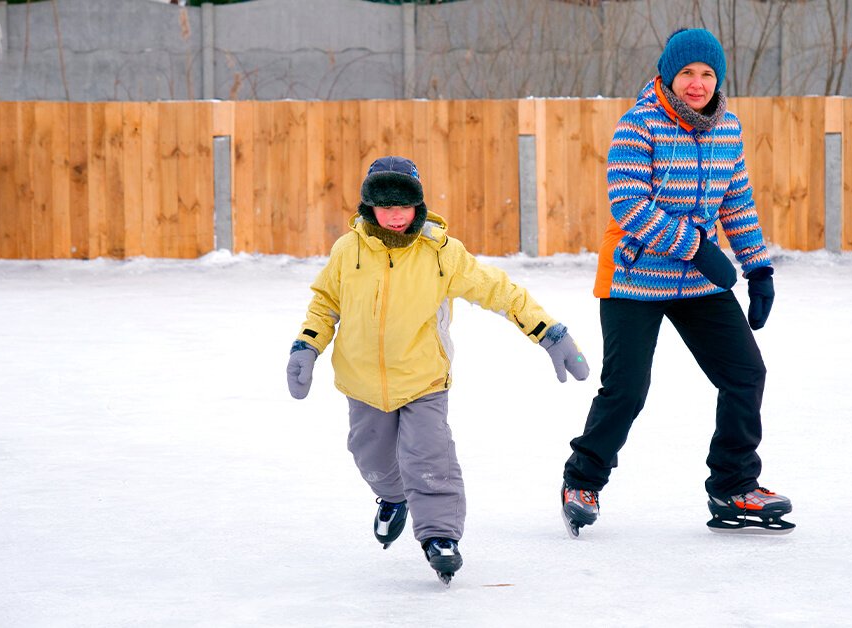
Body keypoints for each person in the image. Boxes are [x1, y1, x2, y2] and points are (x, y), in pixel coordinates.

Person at [287, 156, 591, 583]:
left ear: (419, 205)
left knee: (429, 457)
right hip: (361, 380)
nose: (395, 215)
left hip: (423, 379)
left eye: (404, 205)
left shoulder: (441, 252)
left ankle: (440, 536)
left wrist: (550, 333)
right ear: (367, 206)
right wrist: (306, 345)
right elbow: (325, 303)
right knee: (370, 456)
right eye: (384, 204)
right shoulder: (347, 250)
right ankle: (393, 498)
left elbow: (499, 291)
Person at [559, 28, 793, 536]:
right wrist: (699, 247)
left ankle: (734, 487)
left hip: (698, 283)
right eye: (687, 72)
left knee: (745, 374)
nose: (697, 83)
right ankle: (582, 481)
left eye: (707, 74)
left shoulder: (727, 128)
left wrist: (758, 268)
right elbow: (630, 207)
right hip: (633, 277)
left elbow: (737, 202)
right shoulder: (637, 126)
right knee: (626, 390)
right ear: (668, 75)